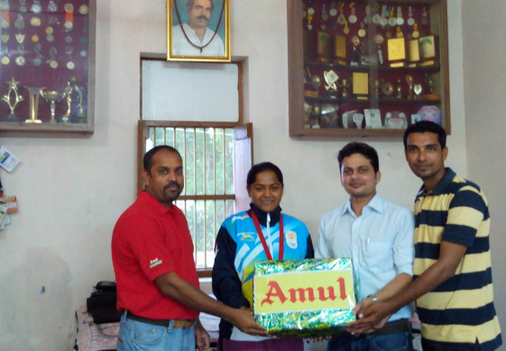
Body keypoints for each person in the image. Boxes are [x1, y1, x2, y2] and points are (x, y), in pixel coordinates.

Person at [351, 121, 502, 351]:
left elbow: (445, 267)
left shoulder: (466, 194)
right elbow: (420, 266)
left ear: (444, 152)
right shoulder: (422, 198)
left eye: (430, 148)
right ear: (406, 154)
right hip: (432, 330)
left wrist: (388, 307)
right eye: (414, 149)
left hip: (466, 333)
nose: (421, 157)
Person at [112, 145, 268, 351]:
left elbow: (183, 276)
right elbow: (169, 283)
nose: (173, 178)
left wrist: (194, 321)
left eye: (178, 171)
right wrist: (231, 314)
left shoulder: (176, 216)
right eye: (163, 171)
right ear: (146, 177)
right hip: (152, 335)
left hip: (178, 331)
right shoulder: (140, 219)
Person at [315, 142, 415, 351]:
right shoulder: (329, 221)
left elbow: (406, 273)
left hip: (389, 332)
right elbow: (321, 274)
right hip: (342, 333)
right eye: (348, 171)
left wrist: (373, 301)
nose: (355, 177)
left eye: (363, 170)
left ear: (377, 176)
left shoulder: (399, 217)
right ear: (341, 177)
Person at [212, 162, 314, 349]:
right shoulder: (233, 226)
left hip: (291, 330)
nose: (267, 194)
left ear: (282, 189)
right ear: (249, 190)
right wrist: (242, 311)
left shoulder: (298, 229)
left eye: (274, 188)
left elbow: (310, 278)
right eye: (259, 188)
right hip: (243, 331)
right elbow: (223, 277)